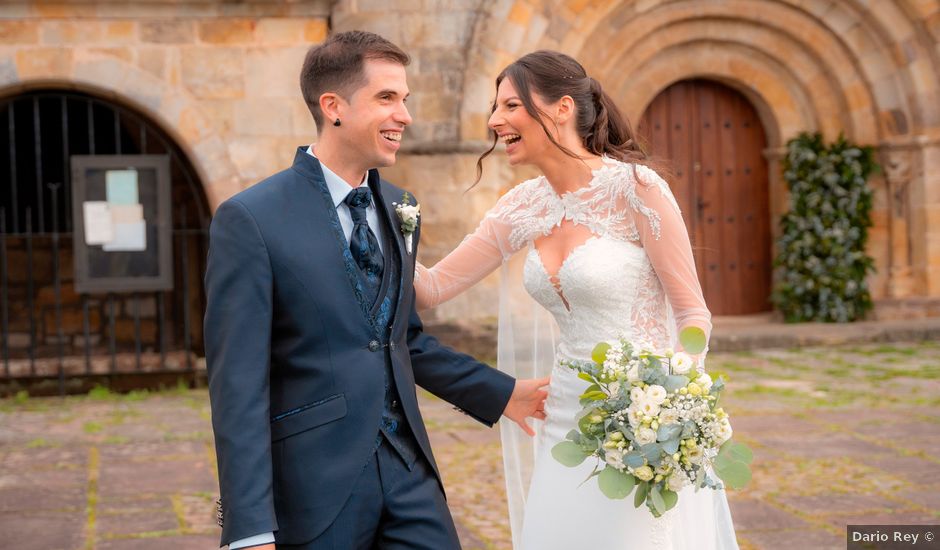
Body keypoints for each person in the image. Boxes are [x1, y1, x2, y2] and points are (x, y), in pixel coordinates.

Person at [204, 31, 548, 550]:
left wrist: (503, 394)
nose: (405, 115)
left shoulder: (399, 206)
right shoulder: (252, 218)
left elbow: (402, 339)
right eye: (387, 98)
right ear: (333, 106)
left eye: (404, 99)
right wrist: (249, 527)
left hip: (409, 473)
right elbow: (238, 384)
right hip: (314, 484)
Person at [412, 50, 739, 549]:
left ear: (562, 108)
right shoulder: (522, 206)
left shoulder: (637, 188)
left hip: (642, 417)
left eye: (511, 106)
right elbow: (432, 288)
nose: (495, 120)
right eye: (496, 108)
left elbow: (693, 315)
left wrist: (671, 404)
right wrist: (370, 223)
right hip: (564, 413)